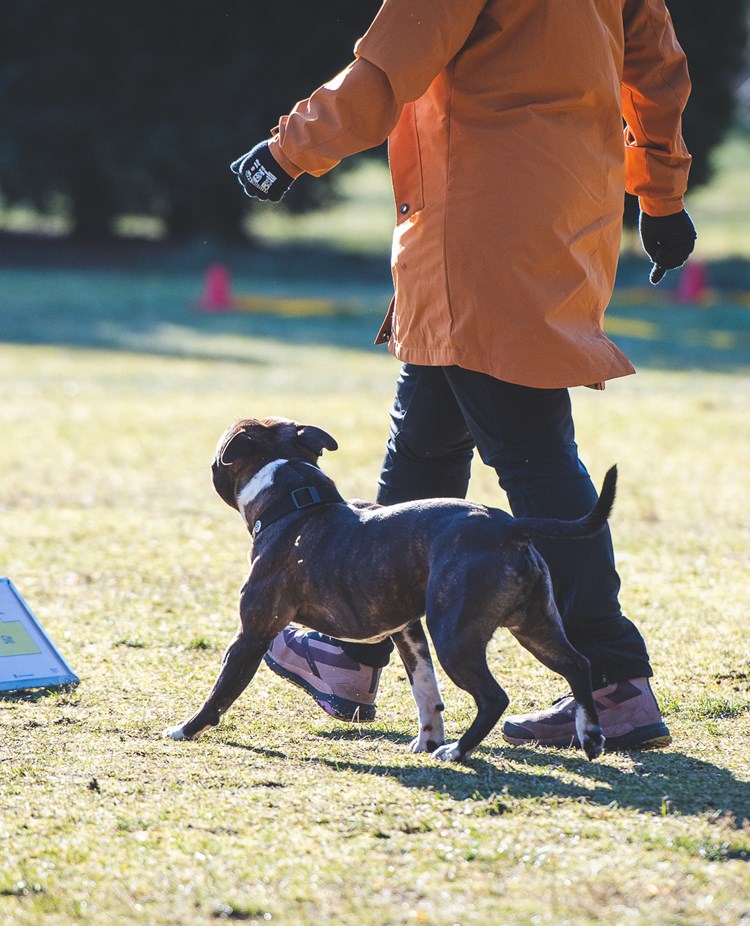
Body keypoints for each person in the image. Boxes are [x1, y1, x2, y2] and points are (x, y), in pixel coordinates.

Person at [230, 0, 696, 751]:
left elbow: (387, 71)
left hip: (477, 224)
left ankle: (613, 682)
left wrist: (288, 150)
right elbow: (657, 66)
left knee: (535, 457)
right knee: (424, 451)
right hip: (565, 211)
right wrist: (663, 194)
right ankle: (355, 658)